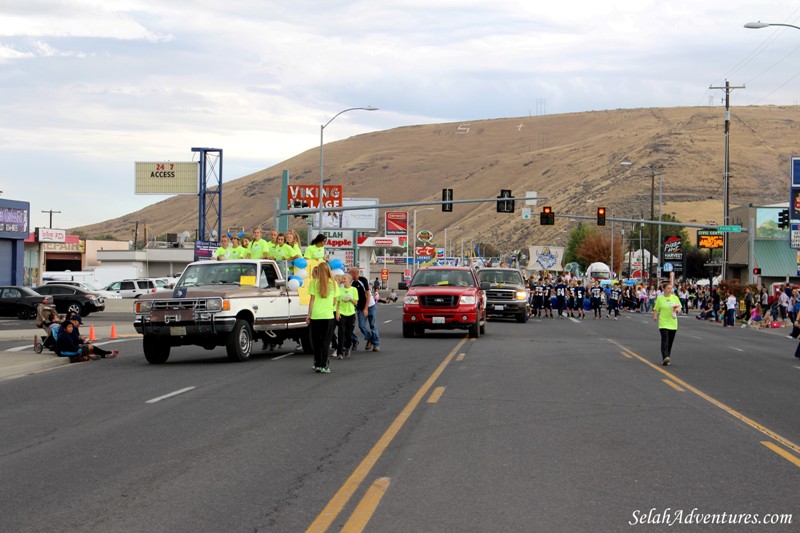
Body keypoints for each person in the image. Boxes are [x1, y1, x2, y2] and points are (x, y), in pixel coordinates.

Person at [306, 263, 339, 373]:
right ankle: (325, 365)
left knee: (317, 341)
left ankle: (317, 364)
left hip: (316, 315)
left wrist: (309, 315)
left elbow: (312, 300)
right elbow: (335, 301)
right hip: (328, 316)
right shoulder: (333, 283)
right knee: (326, 341)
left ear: (319, 271)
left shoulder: (314, 282)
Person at [349, 266, 380, 352]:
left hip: (370, 305)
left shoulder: (363, 280)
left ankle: (376, 344)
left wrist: (366, 309)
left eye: (350, 273)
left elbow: (368, 295)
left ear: (355, 274)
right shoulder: (352, 284)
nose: (349, 275)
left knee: (372, 325)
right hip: (359, 307)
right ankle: (369, 339)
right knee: (362, 326)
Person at [653, 283, 681, 366]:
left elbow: (679, 308)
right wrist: (655, 316)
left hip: (673, 323)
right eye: (668, 288)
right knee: (665, 339)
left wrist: (676, 311)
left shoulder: (675, 298)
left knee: (670, 342)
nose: (670, 290)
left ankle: (667, 358)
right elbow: (656, 309)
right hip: (663, 322)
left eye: (671, 288)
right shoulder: (660, 299)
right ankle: (665, 356)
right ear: (664, 289)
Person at [335, 274, 359, 359]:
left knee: (349, 334)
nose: (343, 280)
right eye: (342, 279)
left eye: (345, 278)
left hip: (351, 314)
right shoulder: (340, 290)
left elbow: (356, 303)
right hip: (342, 313)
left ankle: (348, 346)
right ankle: (339, 352)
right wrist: (337, 313)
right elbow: (337, 303)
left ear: (349, 279)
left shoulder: (354, 290)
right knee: (341, 333)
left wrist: (350, 299)